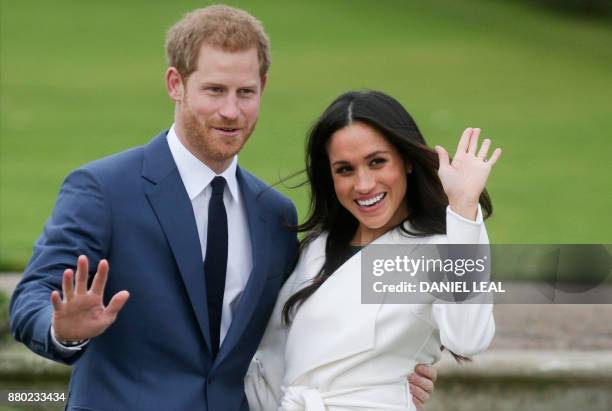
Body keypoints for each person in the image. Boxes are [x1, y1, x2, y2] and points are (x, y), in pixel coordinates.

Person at [8, 7, 436, 411]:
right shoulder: (103, 189)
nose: (231, 111)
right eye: (214, 90)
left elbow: (297, 329)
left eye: (245, 92)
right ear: (175, 83)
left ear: (263, 88)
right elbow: (31, 297)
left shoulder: (275, 215)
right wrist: (60, 330)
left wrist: (385, 370)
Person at [245, 90, 501, 410]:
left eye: (377, 162)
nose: (363, 184)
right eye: (345, 169)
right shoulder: (317, 247)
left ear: (406, 160)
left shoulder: (437, 250)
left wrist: (464, 207)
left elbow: (469, 339)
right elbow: (277, 356)